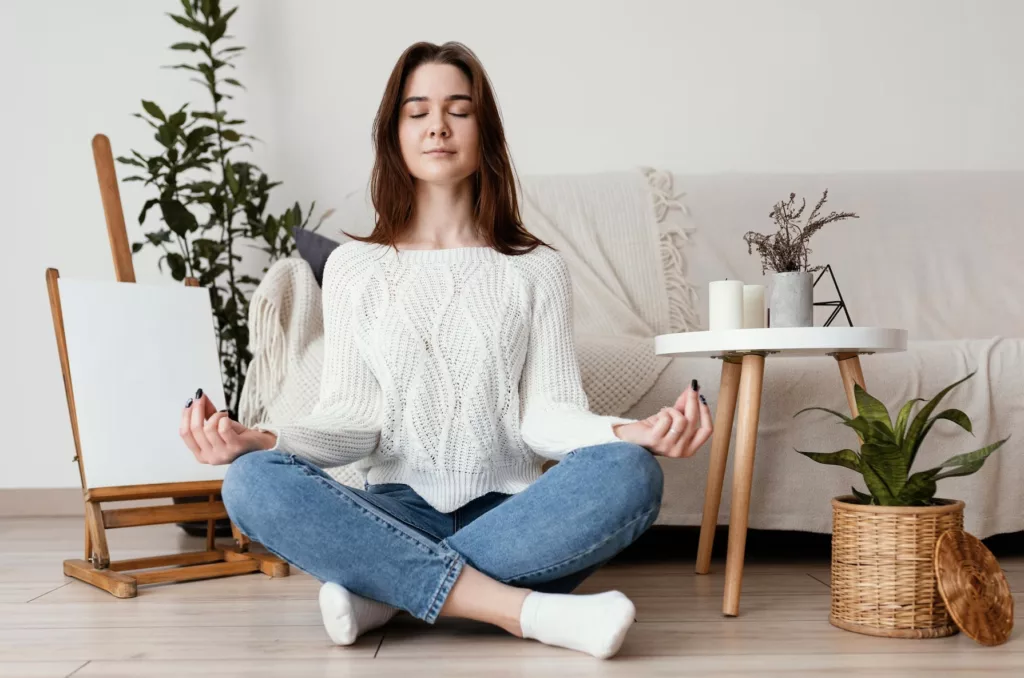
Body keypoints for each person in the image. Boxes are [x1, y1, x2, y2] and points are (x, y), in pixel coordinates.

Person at [178, 41, 712, 660]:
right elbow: (353, 422)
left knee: (631, 472)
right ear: (394, 133)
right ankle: (525, 611)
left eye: (459, 109)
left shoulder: (537, 269)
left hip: (515, 519)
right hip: (394, 512)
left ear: (483, 130)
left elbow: (547, 417)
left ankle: (382, 592)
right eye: (417, 111)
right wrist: (262, 439)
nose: (438, 125)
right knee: (249, 482)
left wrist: (628, 431)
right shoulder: (356, 268)